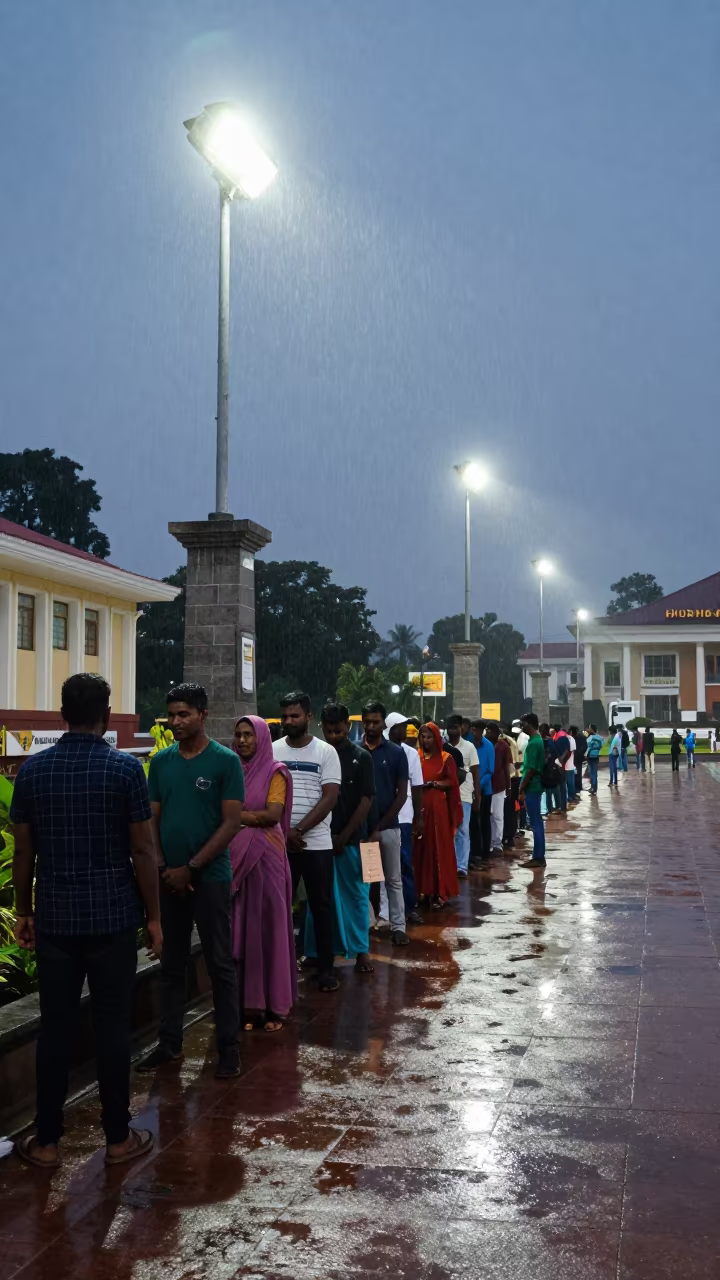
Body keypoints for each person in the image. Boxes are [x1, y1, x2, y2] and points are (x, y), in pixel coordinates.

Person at [11, 673, 162, 1169]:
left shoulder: (32, 773)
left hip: (55, 918)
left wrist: (25, 912)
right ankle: (118, 1139)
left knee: (55, 1030)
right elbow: (142, 848)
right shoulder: (124, 771)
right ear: (106, 713)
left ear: (62, 713)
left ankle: (49, 1142)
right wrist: (154, 917)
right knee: (113, 1027)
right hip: (113, 917)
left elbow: (24, 852)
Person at [138, 683, 245, 1078]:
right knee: (171, 964)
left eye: (184, 714)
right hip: (169, 879)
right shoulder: (162, 762)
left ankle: (229, 1048)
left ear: (203, 715)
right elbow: (152, 818)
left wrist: (193, 868)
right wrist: (166, 867)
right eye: (172, 714)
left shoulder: (224, 762)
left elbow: (231, 822)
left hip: (211, 877)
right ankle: (169, 1045)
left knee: (220, 964)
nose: (175, 721)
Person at [229, 716, 297, 1033]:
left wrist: (234, 817)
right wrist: (244, 820)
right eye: (238, 735)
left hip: (267, 857)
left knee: (269, 927)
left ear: (262, 739)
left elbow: (272, 815)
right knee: (241, 927)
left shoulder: (275, 772)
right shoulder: (229, 770)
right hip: (236, 859)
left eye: (249, 735)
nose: (242, 740)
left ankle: (274, 1006)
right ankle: (246, 1004)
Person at [272, 691, 342, 990]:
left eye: (295, 716)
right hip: (279, 843)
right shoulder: (273, 750)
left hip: (316, 845)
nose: (289, 721)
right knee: (280, 907)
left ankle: (326, 970)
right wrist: (284, 832)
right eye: (285, 716)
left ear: (309, 717)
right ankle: (281, 970)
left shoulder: (325, 752)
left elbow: (329, 797)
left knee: (320, 906)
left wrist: (298, 831)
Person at [320, 704, 376, 972]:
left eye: (338, 729)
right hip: (321, 839)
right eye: (329, 730)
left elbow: (366, 800)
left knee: (358, 896)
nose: (333, 735)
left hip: (357, 839)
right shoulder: (319, 755)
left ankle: (361, 950)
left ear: (347, 725)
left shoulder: (362, 757)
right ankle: (321, 950)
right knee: (322, 898)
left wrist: (344, 835)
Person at [361, 702, 410, 946]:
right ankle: (368, 924)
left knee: (393, 879)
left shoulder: (396, 753)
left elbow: (401, 795)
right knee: (366, 880)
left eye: (375, 722)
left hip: (388, 827)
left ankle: (398, 926)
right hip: (362, 829)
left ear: (383, 724)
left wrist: (381, 824)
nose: (371, 727)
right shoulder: (356, 751)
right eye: (367, 722)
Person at [414, 723, 461, 905]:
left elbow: (453, 781)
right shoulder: (415, 756)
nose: (426, 740)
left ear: (436, 737)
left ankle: (439, 891)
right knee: (420, 849)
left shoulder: (445, 757)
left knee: (438, 848)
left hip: (438, 810)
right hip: (419, 808)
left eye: (429, 737)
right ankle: (421, 890)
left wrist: (436, 784)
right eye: (423, 737)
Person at [385, 712, 424, 923]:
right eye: (400, 727)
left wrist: (419, 816)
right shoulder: (379, 751)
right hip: (382, 815)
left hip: (405, 814)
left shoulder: (410, 753)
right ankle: (382, 910)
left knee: (404, 861)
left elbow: (417, 787)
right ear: (391, 729)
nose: (405, 731)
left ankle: (409, 906)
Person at [446, 714, 479, 877]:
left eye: (455, 727)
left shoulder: (469, 747)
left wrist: (477, 796)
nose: (453, 730)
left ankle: (461, 866)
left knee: (463, 830)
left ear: (461, 728)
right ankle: (449, 864)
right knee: (448, 830)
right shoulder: (443, 747)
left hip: (464, 794)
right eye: (450, 727)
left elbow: (475, 772)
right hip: (446, 795)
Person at [518, 712, 546, 869]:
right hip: (535, 786)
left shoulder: (534, 743)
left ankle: (538, 857)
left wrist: (521, 787)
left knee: (535, 823)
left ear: (529, 724)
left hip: (532, 786)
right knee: (537, 823)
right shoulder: (536, 740)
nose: (522, 727)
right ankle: (538, 855)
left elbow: (530, 769)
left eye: (523, 724)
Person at [468, 719, 494, 865]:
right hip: (470, 789)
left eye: (477, 730)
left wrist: (478, 784)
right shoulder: (470, 745)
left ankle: (485, 852)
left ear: (482, 731)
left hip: (485, 790)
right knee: (473, 822)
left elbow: (491, 770)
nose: (474, 732)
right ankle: (475, 851)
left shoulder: (488, 746)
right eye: (473, 730)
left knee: (484, 821)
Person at [485, 723, 512, 853]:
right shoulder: (482, 745)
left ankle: (497, 843)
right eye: (486, 730)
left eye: (490, 731)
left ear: (496, 733)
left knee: (497, 815)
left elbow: (506, 767)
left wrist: (509, 786)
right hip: (485, 785)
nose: (488, 733)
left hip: (499, 785)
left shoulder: (503, 746)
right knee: (487, 816)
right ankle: (488, 842)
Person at [585, 724, 604, 794]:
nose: (588, 729)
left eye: (589, 728)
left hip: (590, 756)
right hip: (596, 756)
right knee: (594, 772)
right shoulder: (600, 737)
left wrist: (585, 755)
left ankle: (593, 788)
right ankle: (594, 788)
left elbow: (588, 747)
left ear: (592, 729)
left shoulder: (590, 738)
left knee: (592, 772)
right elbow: (602, 745)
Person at [571, 725, 586, 796]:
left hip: (577, 758)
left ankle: (578, 787)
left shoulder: (580, 738)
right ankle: (576, 787)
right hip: (574, 758)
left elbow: (584, 747)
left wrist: (579, 753)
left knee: (577, 773)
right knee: (576, 773)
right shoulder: (575, 738)